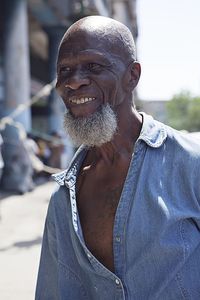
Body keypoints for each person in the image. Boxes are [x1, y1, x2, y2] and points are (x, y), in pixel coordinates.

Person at [35, 16, 200, 300]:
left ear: (132, 76)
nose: (74, 82)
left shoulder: (189, 165)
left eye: (93, 66)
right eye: (65, 70)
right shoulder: (64, 197)